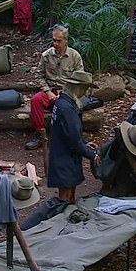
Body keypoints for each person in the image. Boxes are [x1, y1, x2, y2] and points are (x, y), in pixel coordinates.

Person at [25, 25, 85, 150]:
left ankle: (72, 136)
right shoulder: (46, 55)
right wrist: (47, 92)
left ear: (66, 41)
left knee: (68, 106)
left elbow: (80, 80)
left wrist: (64, 94)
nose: (55, 43)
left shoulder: (75, 56)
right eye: (54, 40)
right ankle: (40, 135)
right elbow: (39, 75)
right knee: (36, 100)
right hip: (50, 91)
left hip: (68, 93)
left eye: (59, 41)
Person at [47, 70, 99, 203]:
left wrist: (84, 142)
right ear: (78, 88)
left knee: (69, 196)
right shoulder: (67, 108)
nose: (85, 93)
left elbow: (72, 133)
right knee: (64, 200)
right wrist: (92, 155)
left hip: (62, 153)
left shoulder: (62, 103)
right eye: (85, 89)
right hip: (65, 158)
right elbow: (74, 140)